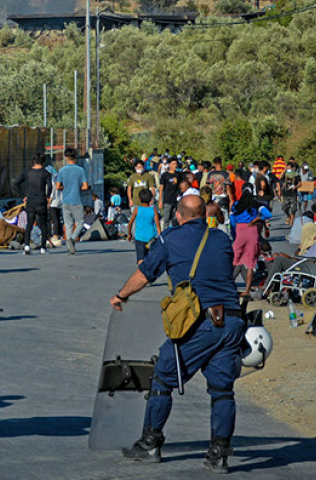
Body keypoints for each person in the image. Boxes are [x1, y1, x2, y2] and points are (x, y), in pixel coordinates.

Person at [114, 196, 245, 473]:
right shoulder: (222, 239)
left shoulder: (170, 239)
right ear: (204, 215)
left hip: (199, 323)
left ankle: (150, 444)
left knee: (163, 377)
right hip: (232, 321)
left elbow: (144, 274)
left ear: (179, 216)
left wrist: (121, 295)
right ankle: (219, 454)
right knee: (223, 390)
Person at [14, 154, 53, 254]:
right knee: (43, 224)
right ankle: (43, 247)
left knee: (29, 223)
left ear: (33, 161)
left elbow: (16, 184)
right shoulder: (45, 173)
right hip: (41, 200)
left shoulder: (27, 172)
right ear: (43, 161)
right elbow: (49, 186)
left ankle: (27, 245)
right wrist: (47, 196)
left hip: (30, 200)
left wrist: (23, 195)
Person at [57, 147, 90, 255]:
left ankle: (69, 246)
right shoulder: (80, 170)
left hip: (65, 201)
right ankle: (72, 238)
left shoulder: (62, 170)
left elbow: (58, 186)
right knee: (80, 222)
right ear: (75, 157)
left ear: (66, 158)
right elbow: (85, 186)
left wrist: (65, 187)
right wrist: (78, 187)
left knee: (68, 224)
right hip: (76, 200)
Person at [128, 188, 160, 264]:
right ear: (151, 199)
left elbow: (130, 223)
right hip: (151, 238)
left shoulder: (137, 209)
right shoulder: (153, 210)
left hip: (139, 238)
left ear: (139, 199)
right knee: (151, 258)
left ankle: (141, 269)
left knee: (141, 258)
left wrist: (129, 234)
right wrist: (159, 237)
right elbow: (158, 226)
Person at [158, 158, 180, 230]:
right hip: (167, 200)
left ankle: (174, 233)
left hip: (176, 200)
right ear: (169, 165)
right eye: (173, 164)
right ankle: (165, 233)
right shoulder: (165, 175)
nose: (175, 165)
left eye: (176, 164)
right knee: (166, 219)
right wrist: (160, 200)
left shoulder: (178, 175)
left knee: (175, 219)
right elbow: (161, 188)